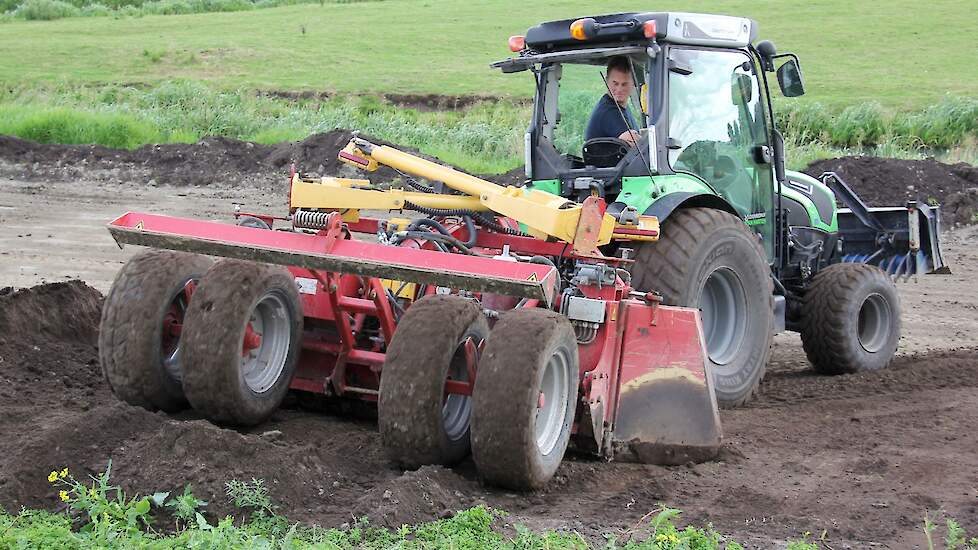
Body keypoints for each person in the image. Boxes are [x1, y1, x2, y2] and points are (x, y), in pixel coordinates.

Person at [584, 56, 641, 145]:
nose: (619, 89)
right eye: (615, 83)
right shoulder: (609, 112)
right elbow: (637, 146)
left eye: (624, 84)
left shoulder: (621, 106)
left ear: (633, 84)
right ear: (607, 81)